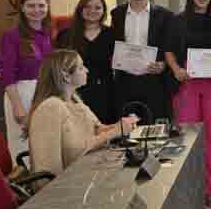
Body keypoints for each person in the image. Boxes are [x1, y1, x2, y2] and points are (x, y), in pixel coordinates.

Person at [165, 0, 211, 207]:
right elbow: (169, 51)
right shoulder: (177, 21)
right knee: (187, 138)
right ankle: (189, 190)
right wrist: (176, 70)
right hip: (186, 85)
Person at [26, 50, 135, 182]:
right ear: (65, 75)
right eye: (81, 67)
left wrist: (120, 126)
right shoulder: (51, 106)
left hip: (81, 174)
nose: (87, 70)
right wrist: (115, 131)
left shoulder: (74, 99)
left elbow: (96, 128)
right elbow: (74, 151)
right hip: (59, 186)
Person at [110, 0, 174, 122]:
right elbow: (113, 44)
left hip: (154, 82)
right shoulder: (116, 14)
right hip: (125, 82)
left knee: (156, 131)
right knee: (128, 132)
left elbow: (171, 47)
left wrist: (164, 64)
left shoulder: (165, 16)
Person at [0, 0, 52, 158]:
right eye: (31, 6)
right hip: (22, 94)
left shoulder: (48, 34)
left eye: (41, 5)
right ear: (22, 8)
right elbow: (7, 73)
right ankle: (25, 183)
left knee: (44, 146)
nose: (37, 10)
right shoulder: (11, 36)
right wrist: (17, 105)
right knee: (23, 146)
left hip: (45, 93)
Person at [56, 0, 116, 124]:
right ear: (80, 9)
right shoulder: (65, 35)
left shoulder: (112, 34)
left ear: (104, 11)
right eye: (87, 7)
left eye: (97, 8)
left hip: (105, 93)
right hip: (75, 93)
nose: (92, 11)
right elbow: (57, 65)